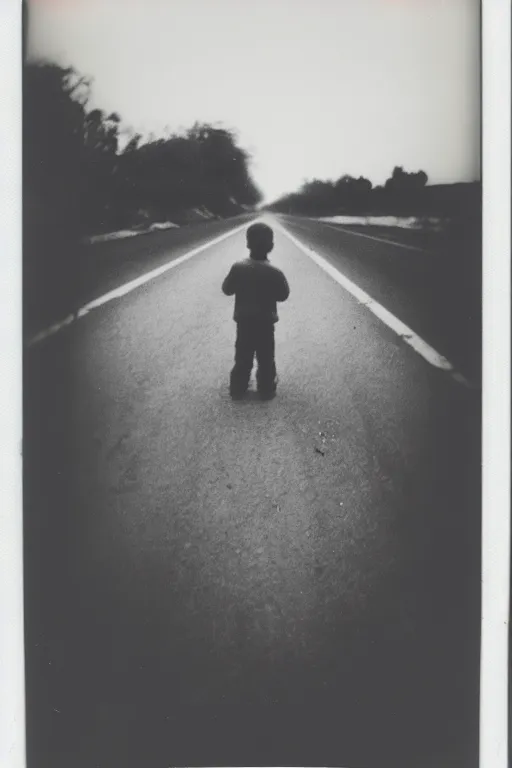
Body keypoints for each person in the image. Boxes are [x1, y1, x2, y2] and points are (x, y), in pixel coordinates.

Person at [222, 222, 290, 399]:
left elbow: (227, 289)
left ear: (247, 244)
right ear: (271, 246)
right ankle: (266, 388)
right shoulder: (275, 272)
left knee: (243, 355)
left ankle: (238, 387)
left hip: (244, 322)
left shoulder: (238, 268)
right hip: (266, 323)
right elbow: (283, 295)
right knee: (266, 357)